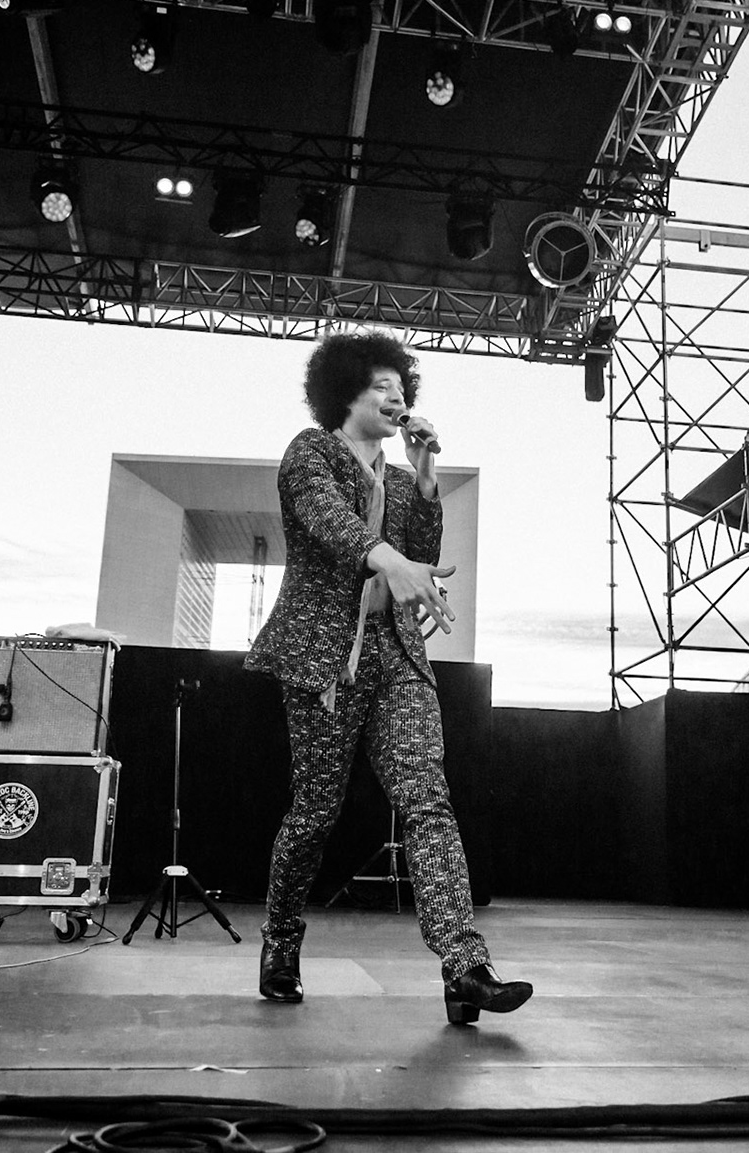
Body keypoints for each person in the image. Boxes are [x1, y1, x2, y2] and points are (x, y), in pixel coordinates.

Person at [247, 330, 531, 1025]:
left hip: (395, 658)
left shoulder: (401, 480)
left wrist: (427, 474)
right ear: (342, 391)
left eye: (400, 386)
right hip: (325, 657)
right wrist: (386, 558)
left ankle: (465, 966)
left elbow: (422, 556)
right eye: (378, 384)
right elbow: (329, 524)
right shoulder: (310, 452)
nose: (393, 393)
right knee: (314, 814)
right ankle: (281, 942)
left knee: (428, 801)